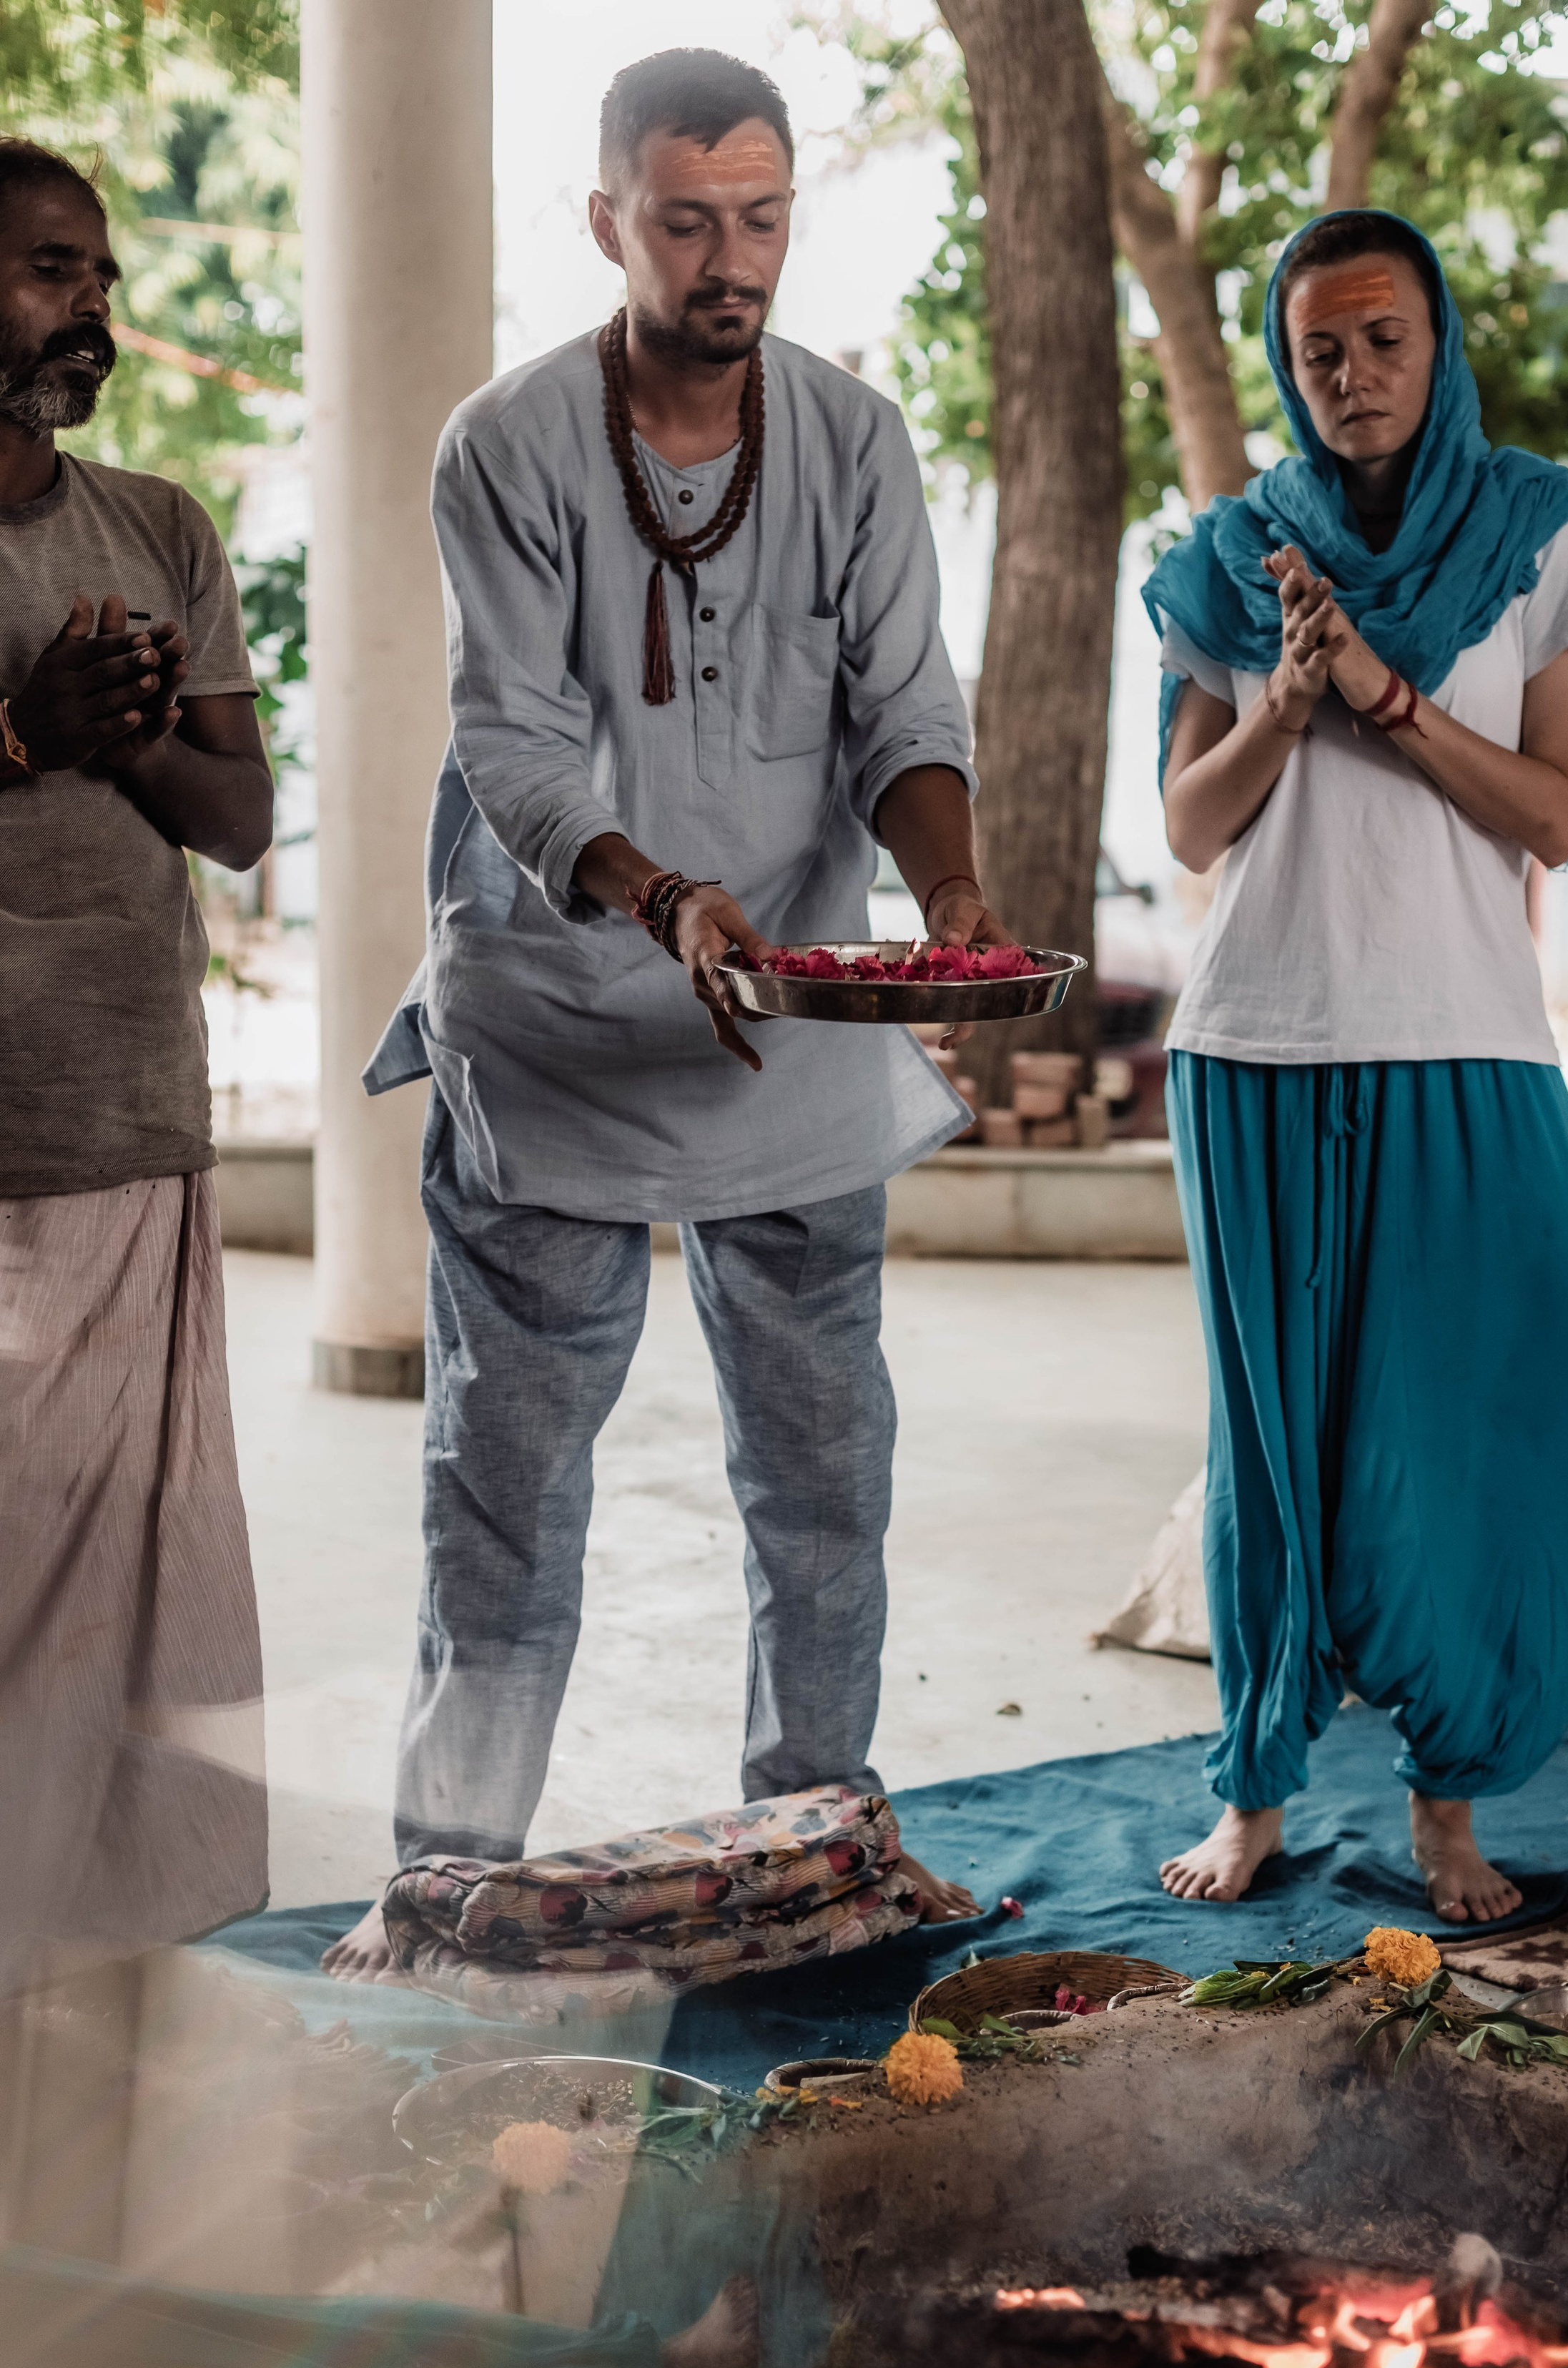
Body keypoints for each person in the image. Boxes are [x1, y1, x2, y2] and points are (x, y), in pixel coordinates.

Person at [327, 50, 1000, 1978]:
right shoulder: (509, 444)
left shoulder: (856, 442)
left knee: (822, 1482)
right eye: (688, 218)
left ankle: (827, 1858)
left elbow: (906, 713)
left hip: (790, 1030)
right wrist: (660, 898)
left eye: (763, 216)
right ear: (608, 217)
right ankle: (441, 1896)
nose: (732, 258)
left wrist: (944, 889)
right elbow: (520, 746)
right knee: (508, 1505)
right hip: (553, 1024)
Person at [1142, 210, 1568, 1925]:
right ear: (1287, 375)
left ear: (1437, 348)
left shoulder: (1537, 535)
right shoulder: (1234, 553)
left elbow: (1557, 815)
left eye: (1379, 340)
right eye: (1315, 352)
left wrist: (1383, 695)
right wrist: (1285, 702)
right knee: (1270, 1447)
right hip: (1255, 1049)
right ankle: (1257, 1791)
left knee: (1475, 1442)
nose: (1348, 375)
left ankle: (1448, 1811)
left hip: (1466, 1045)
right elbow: (1194, 828)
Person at [0, 141, 273, 1986]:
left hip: (131, 1126)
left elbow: (239, 817)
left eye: (92, 272)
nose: (90, 306)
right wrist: (18, 735)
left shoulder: (160, 524)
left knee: (113, 1592)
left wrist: (119, 740)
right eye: (43, 269)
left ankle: (81, 1952)